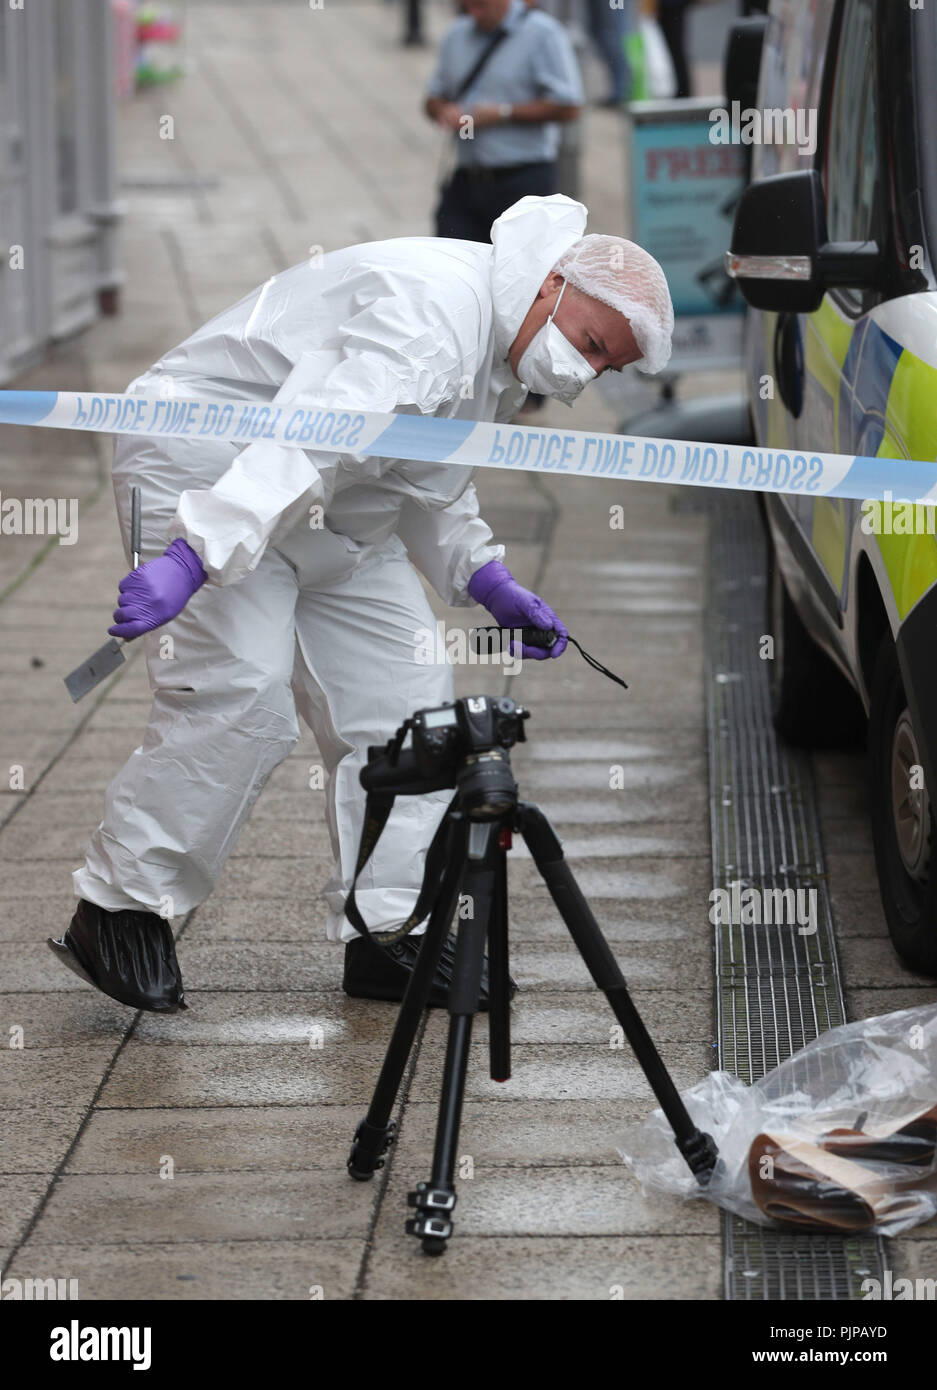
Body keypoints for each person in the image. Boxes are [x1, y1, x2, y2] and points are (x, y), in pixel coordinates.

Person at [49, 195, 674, 1016]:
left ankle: (391, 930)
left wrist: (483, 577)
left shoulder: (492, 339)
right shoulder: (433, 317)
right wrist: (191, 553)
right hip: (208, 465)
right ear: (553, 282)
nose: (582, 373)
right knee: (241, 690)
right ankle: (120, 907)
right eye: (590, 344)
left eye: (604, 368)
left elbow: (421, 470)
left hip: (336, 506)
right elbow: (310, 436)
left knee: (405, 709)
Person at [426, 0, 583, 242]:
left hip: (524, 181)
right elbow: (433, 99)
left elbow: (569, 106)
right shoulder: (456, 34)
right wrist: (444, 111)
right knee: (451, 265)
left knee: (520, 274)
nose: (470, 6)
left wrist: (503, 113)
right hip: (466, 180)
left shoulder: (543, 33)